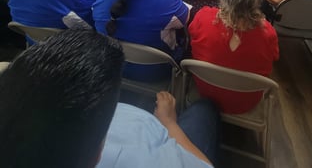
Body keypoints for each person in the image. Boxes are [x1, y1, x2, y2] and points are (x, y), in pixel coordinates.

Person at [0, 29, 218, 168]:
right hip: (160, 118)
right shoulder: (147, 153)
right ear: (97, 155)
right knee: (205, 109)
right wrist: (170, 123)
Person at [189, 0, 279, 114]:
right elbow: (273, 58)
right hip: (245, 102)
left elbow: (192, 39)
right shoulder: (268, 32)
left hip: (206, 94)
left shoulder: (203, 16)